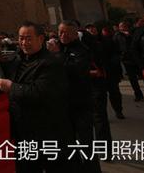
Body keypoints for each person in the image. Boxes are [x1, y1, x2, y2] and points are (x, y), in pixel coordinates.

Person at [0, 21, 74, 173]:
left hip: (48, 132)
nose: (24, 42)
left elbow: (39, 93)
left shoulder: (51, 63)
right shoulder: (19, 59)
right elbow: (1, 72)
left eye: (29, 38)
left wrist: (12, 87)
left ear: (40, 39)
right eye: (21, 38)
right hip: (23, 132)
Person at [48, 21, 101, 173]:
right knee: (69, 145)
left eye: (66, 32)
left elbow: (75, 71)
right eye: (60, 32)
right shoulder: (59, 48)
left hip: (81, 105)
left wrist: (57, 54)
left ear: (74, 33)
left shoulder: (81, 50)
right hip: (63, 106)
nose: (62, 35)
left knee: (86, 144)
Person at [114, 21, 144, 101]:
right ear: (119, 28)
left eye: (124, 26)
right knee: (133, 79)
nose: (122, 27)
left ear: (127, 27)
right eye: (121, 26)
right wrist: (120, 56)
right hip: (127, 60)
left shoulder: (133, 34)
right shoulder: (117, 36)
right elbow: (115, 47)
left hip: (137, 59)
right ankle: (138, 95)